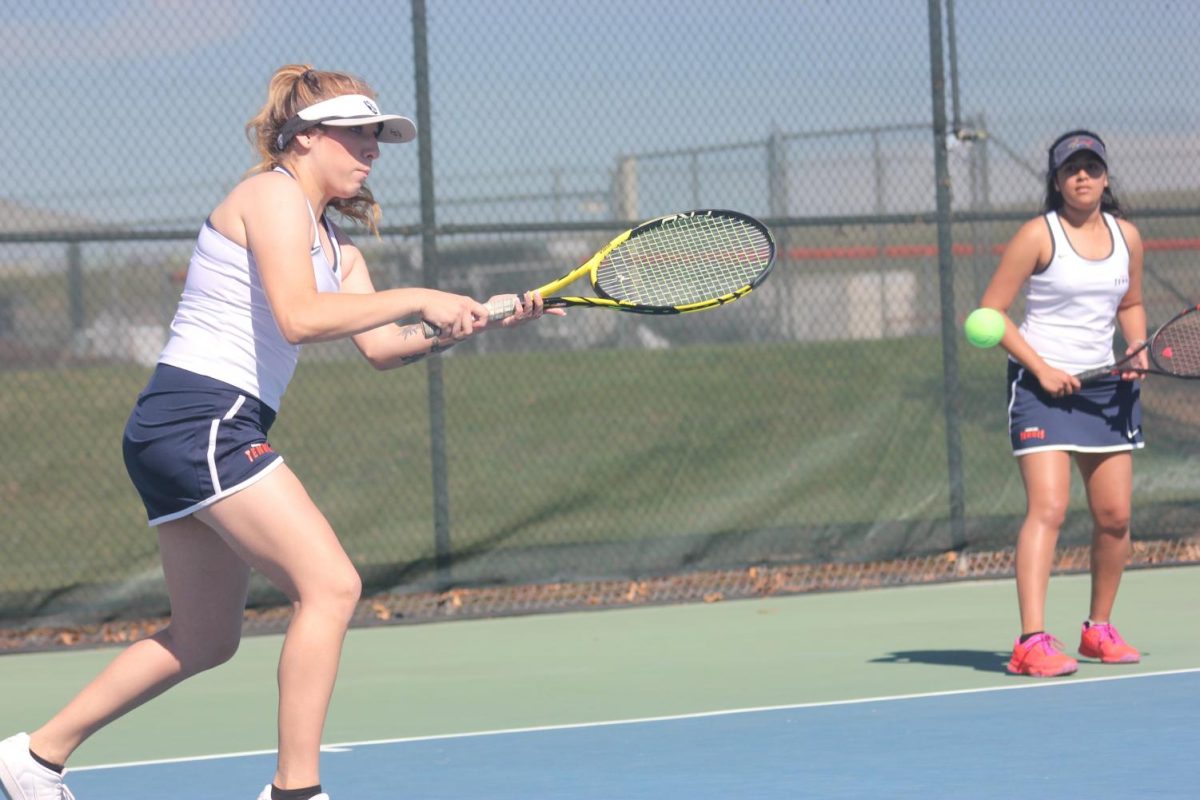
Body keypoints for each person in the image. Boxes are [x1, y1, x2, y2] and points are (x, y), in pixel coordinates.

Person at [0, 64, 561, 800]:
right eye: (357, 134)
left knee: (207, 639)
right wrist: (426, 292)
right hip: (202, 417)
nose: (372, 149)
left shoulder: (342, 251)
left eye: (378, 136)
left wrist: (475, 319)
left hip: (188, 428)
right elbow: (298, 316)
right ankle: (295, 791)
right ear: (303, 139)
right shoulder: (269, 196)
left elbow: (383, 348)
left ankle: (34, 759)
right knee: (331, 585)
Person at [976, 129, 1146, 678]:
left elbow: (1132, 301)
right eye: (1071, 168)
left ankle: (1098, 630)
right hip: (1040, 386)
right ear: (1056, 180)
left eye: (1091, 167)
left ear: (1105, 176)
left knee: (1115, 518)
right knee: (1048, 509)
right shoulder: (1036, 235)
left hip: (1104, 388)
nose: (1082, 176)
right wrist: (1042, 368)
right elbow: (992, 314)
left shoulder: (1128, 238)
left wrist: (1136, 347)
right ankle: (1031, 641)